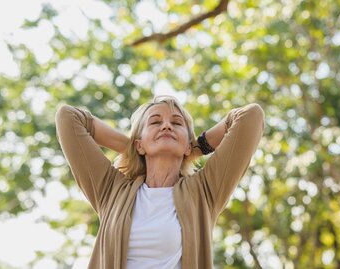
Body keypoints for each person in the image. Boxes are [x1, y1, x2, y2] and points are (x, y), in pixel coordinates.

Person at [55, 95, 265, 269]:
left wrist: (196, 148)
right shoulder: (111, 190)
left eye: (176, 123)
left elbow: (250, 117)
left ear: (187, 145)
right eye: (155, 122)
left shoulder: (204, 190)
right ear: (139, 144)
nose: (166, 126)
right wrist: (134, 148)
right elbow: (68, 117)